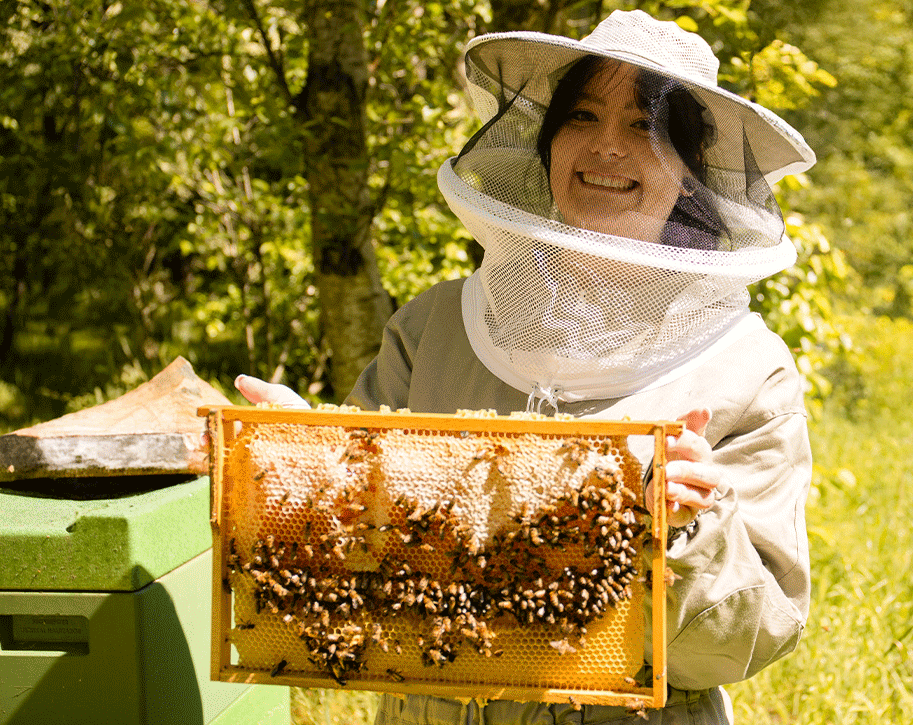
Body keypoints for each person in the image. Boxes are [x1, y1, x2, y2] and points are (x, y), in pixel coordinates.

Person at [235, 10, 816, 724]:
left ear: (692, 173)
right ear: (545, 144)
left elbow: (744, 642)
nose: (606, 145)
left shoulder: (747, 370)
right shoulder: (434, 326)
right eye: (582, 114)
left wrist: (689, 533)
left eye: (644, 126)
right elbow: (360, 578)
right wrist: (308, 464)